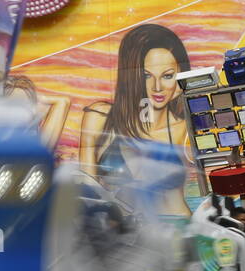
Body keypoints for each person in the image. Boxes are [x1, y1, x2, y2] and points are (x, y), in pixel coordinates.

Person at [79, 23, 192, 215]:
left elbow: (176, 201)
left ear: (180, 75)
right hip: (120, 234)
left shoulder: (182, 128)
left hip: (171, 230)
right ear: (132, 77)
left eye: (168, 76)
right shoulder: (101, 117)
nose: (157, 87)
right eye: (146, 75)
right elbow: (88, 190)